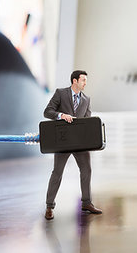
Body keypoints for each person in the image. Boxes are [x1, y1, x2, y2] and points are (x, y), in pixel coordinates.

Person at [43, 70, 102, 220]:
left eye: (85, 80)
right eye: (83, 80)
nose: (85, 83)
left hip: (80, 142)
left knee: (86, 170)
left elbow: (87, 120)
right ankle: (49, 206)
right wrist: (61, 115)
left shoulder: (86, 99)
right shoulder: (60, 93)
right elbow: (47, 111)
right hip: (63, 141)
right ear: (74, 81)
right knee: (57, 172)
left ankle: (86, 203)